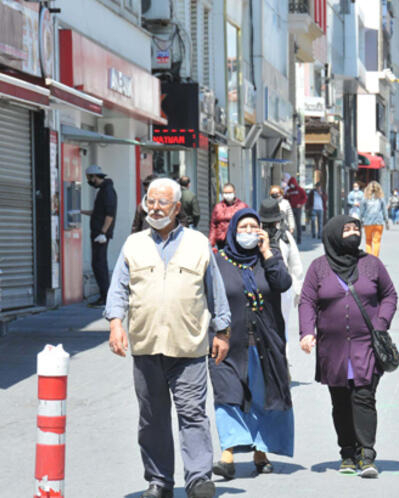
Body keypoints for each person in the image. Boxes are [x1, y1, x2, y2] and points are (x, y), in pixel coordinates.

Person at [104, 178, 231, 498]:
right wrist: (116, 324)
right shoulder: (133, 243)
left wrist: (223, 331)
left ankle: (199, 478)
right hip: (146, 345)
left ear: (177, 208)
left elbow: (215, 290)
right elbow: (118, 288)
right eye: (151, 201)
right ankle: (159, 481)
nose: (155, 208)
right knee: (152, 417)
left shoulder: (198, 243)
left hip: (188, 345)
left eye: (163, 203)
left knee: (192, 413)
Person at [298, 216, 398, 478]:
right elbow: (307, 301)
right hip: (333, 349)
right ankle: (347, 453)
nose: (353, 233)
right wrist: (307, 332)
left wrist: (381, 322)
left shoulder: (371, 264)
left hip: (366, 345)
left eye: (356, 229)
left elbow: (389, 294)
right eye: (347, 230)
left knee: (364, 397)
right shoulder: (318, 268)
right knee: (340, 402)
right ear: (332, 235)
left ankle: (366, 454)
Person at [207, 208, 294, 480]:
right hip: (227, 342)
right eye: (242, 227)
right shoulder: (217, 261)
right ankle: (227, 455)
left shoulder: (269, 258)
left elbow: (283, 283)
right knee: (227, 394)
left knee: (261, 397)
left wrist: (267, 252)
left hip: (265, 342)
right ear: (232, 231)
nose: (248, 233)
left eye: (253, 228)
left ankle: (261, 451)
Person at [81, 164, 117, 307]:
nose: (89, 181)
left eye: (89, 178)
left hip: (101, 235)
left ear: (94, 177)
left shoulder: (107, 191)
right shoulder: (103, 190)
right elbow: (98, 212)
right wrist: (81, 211)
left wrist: (103, 232)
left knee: (99, 265)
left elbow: (109, 215)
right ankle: (105, 296)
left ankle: (105, 297)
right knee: (98, 264)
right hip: (98, 234)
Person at [210, 183, 248, 250]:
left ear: (234, 192)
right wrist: (211, 243)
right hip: (221, 241)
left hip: (237, 240)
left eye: (230, 193)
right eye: (225, 193)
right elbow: (213, 226)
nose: (227, 195)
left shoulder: (242, 206)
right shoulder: (218, 207)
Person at [359, 181, 390, 257]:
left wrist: (360, 220)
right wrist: (386, 221)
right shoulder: (381, 198)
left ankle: (369, 257)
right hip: (378, 222)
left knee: (368, 241)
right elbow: (384, 211)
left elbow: (362, 211)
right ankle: (375, 257)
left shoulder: (365, 198)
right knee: (377, 241)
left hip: (368, 222)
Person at [283, 174, 307, 244]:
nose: (292, 185)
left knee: (298, 223)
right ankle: (291, 238)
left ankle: (299, 238)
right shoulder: (289, 191)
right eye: (291, 184)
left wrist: (301, 204)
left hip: (297, 208)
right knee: (291, 224)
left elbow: (304, 198)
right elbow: (285, 199)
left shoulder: (300, 190)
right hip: (290, 209)